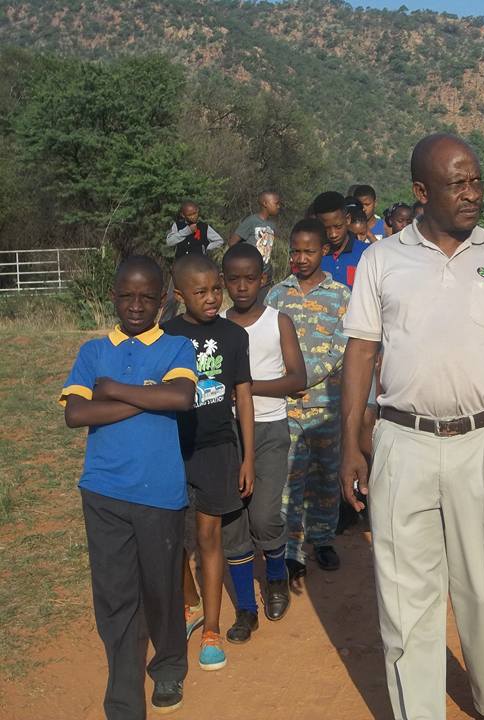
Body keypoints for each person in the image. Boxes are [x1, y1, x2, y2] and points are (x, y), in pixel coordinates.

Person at [339, 133, 484, 720]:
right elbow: (360, 353)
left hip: (483, 444)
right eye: (458, 183)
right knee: (407, 604)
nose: (472, 193)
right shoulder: (382, 260)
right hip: (401, 444)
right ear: (422, 192)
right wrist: (352, 444)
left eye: (476, 180)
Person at [61, 256, 197, 718]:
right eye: (126, 295)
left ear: (164, 299)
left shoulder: (177, 348)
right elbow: (76, 414)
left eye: (146, 297)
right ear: (113, 296)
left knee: (160, 590)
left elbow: (180, 397)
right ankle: (123, 699)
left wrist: (114, 389)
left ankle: (169, 665)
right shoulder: (93, 352)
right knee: (115, 596)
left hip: (159, 493)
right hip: (102, 491)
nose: (136, 304)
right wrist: (146, 394)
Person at [162, 254, 255, 672]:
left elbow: (244, 396)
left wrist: (247, 455)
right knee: (173, 538)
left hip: (218, 448)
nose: (212, 297)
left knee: (208, 537)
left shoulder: (234, 336)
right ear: (179, 296)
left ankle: (212, 629)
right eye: (200, 292)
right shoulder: (164, 336)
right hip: (173, 449)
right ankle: (190, 603)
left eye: (215, 289)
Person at [220, 243, 307, 642]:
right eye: (233, 279)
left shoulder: (278, 322)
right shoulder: (218, 324)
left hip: (270, 428)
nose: (241, 286)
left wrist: (247, 387)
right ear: (223, 282)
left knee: (265, 515)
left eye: (249, 278)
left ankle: (275, 576)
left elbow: (297, 378)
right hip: (227, 433)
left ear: (263, 280)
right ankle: (244, 607)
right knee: (233, 520)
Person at [266, 218, 349, 582]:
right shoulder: (275, 296)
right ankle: (292, 549)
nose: (300, 258)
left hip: (325, 407)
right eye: (295, 251)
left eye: (308, 251)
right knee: (289, 481)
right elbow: (266, 345)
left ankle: (323, 539)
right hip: (285, 406)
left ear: (324, 252)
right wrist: (283, 383)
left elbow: (340, 349)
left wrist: (300, 377)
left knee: (325, 476)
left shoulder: (341, 296)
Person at [160, 202, 225, 323]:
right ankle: (165, 325)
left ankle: (198, 322)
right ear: (183, 215)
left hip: (197, 271)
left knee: (197, 297)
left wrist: (206, 248)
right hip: (179, 269)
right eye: (189, 214)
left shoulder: (204, 227)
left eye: (195, 213)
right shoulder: (177, 226)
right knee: (171, 299)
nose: (193, 216)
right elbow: (170, 241)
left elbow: (219, 240)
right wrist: (187, 231)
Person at [228, 191, 282, 302]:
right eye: (276, 203)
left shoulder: (272, 225)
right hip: (251, 273)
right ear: (265, 203)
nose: (278, 206)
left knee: (262, 304)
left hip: (265, 273)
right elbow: (233, 242)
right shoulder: (252, 221)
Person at [313, 191, 369, 289]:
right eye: (326, 228)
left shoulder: (367, 253)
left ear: (347, 219)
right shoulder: (311, 256)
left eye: (338, 226)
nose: (333, 234)